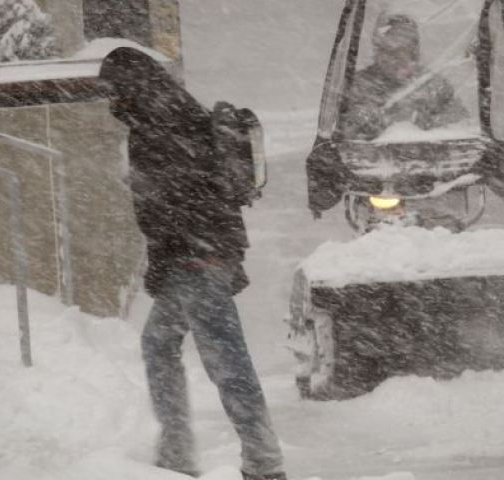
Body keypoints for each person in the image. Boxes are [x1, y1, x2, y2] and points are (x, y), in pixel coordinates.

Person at [99, 47, 286, 480]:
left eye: (114, 91)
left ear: (133, 87)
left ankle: (264, 465)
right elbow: (192, 194)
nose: (111, 101)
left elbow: (178, 200)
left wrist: (181, 256)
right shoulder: (168, 114)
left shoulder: (161, 124)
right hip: (196, 255)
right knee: (160, 345)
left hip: (196, 258)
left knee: (227, 363)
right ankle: (177, 457)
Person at [341, 12, 469, 141]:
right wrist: (374, 120)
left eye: (404, 49)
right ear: (378, 51)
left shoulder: (432, 83)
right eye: (390, 51)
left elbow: (461, 124)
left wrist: (423, 120)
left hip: (426, 156)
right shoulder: (359, 85)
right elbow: (342, 132)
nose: (398, 58)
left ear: (414, 51)